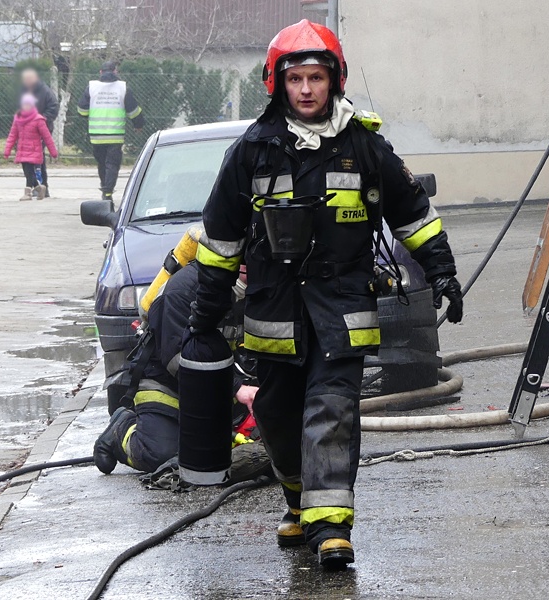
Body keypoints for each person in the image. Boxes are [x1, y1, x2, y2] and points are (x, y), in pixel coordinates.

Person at [184, 20, 463, 569]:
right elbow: (218, 242)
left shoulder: (364, 145)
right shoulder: (253, 152)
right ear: (278, 84)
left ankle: (332, 527)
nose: (306, 89)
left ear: (333, 80)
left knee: (331, 410)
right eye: (296, 79)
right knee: (279, 415)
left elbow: (415, 218)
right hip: (275, 316)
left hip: (343, 312)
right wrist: (206, 313)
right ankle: (297, 502)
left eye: (316, 77)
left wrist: (443, 274)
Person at [92, 261, 260, 476]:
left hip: (220, 383)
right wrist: (236, 388)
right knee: (162, 455)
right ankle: (121, 430)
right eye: (249, 271)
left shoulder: (256, 289)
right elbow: (179, 359)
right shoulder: (183, 290)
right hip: (167, 383)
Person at [77, 61, 145, 201]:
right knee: (112, 164)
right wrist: (138, 125)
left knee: (102, 163)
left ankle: (104, 186)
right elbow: (133, 111)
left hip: (96, 135)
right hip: (115, 135)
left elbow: (82, 110)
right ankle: (107, 192)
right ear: (115, 72)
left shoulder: (91, 87)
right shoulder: (123, 87)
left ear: (100, 72)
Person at [4, 94, 58, 201]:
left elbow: (47, 136)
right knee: (28, 172)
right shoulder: (18, 118)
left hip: (34, 150)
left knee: (29, 171)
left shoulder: (38, 120)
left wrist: (53, 152)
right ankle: (39, 188)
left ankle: (27, 193)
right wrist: (7, 149)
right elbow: (12, 135)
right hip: (22, 150)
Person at [21, 69, 59, 198]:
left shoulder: (45, 91)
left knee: (36, 159)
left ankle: (40, 187)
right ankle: (36, 187)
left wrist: (40, 119)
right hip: (26, 131)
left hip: (41, 129)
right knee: (28, 159)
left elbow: (54, 107)